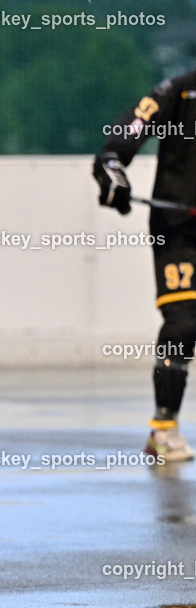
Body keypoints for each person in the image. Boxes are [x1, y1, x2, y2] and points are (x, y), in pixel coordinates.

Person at [93, 68, 196, 462]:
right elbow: (128, 132)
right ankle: (163, 429)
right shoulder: (180, 90)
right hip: (179, 228)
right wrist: (112, 168)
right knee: (184, 323)